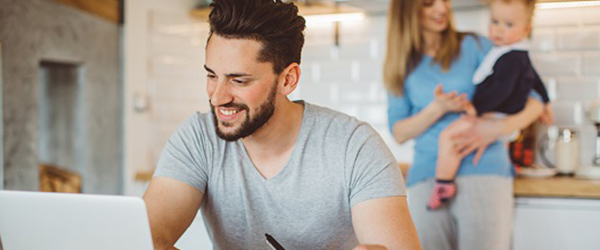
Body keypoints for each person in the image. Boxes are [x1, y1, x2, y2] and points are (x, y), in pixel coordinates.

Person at [143, 1, 422, 250]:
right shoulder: (199, 137)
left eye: (239, 81)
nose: (217, 97)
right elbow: (147, 238)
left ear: (288, 79)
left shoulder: (355, 146)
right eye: (212, 76)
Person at [384, 0, 545, 249]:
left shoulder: (477, 45)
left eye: (444, 0)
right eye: (428, 3)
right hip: (427, 177)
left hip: (485, 170)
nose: (441, 8)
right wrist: (437, 108)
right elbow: (399, 132)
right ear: (407, 11)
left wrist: (497, 129)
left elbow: (534, 98)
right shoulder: (400, 65)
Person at [427, 0, 554, 210]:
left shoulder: (512, 57)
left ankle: (443, 184)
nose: (499, 30)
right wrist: (546, 101)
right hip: (496, 117)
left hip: (495, 116)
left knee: (448, 136)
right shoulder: (513, 52)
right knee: (458, 141)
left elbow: (502, 89)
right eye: (495, 22)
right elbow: (535, 79)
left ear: (526, 29)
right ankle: (445, 182)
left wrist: (475, 109)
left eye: (508, 25)